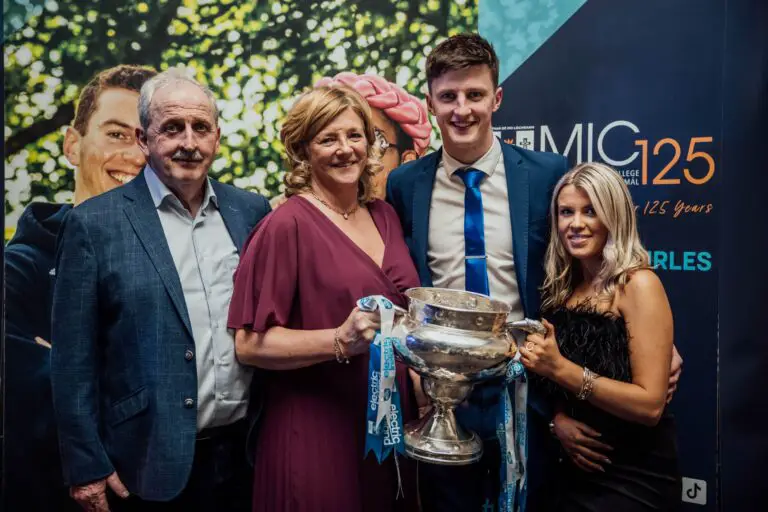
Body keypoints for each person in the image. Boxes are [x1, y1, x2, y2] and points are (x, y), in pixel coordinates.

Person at [385, 33, 683, 511]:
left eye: (475, 94)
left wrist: (652, 342)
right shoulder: (404, 185)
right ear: (431, 103)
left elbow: (586, 268)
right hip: (445, 391)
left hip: (528, 389)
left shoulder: (546, 174)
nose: (462, 109)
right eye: (448, 97)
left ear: (497, 98)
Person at [50, 68, 271, 512]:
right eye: (171, 128)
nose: (188, 142)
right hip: (143, 461)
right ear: (142, 138)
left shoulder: (250, 211)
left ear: (217, 137)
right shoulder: (93, 224)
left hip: (246, 453)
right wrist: (86, 464)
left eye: (200, 128)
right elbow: (72, 360)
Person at [228, 85, 419, 512]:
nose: (345, 149)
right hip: (314, 429)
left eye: (355, 136)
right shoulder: (287, 224)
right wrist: (337, 339)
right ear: (303, 150)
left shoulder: (385, 215)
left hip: (384, 427)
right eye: (328, 139)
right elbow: (248, 344)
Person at [3, 64, 156, 512]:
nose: (136, 155)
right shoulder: (20, 270)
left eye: (148, 138)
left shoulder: (189, 266)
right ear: (73, 145)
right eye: (116, 134)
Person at [521, 162, 681, 510]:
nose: (575, 224)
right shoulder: (562, 290)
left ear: (614, 217)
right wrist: (558, 420)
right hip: (568, 469)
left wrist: (560, 369)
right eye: (566, 212)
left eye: (590, 211)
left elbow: (650, 404)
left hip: (631, 476)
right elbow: (564, 388)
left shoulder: (638, 284)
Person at [269, 72, 432, 207]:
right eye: (328, 139)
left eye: (373, 142)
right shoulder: (282, 216)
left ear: (407, 163)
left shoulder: (424, 229)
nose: (349, 153)